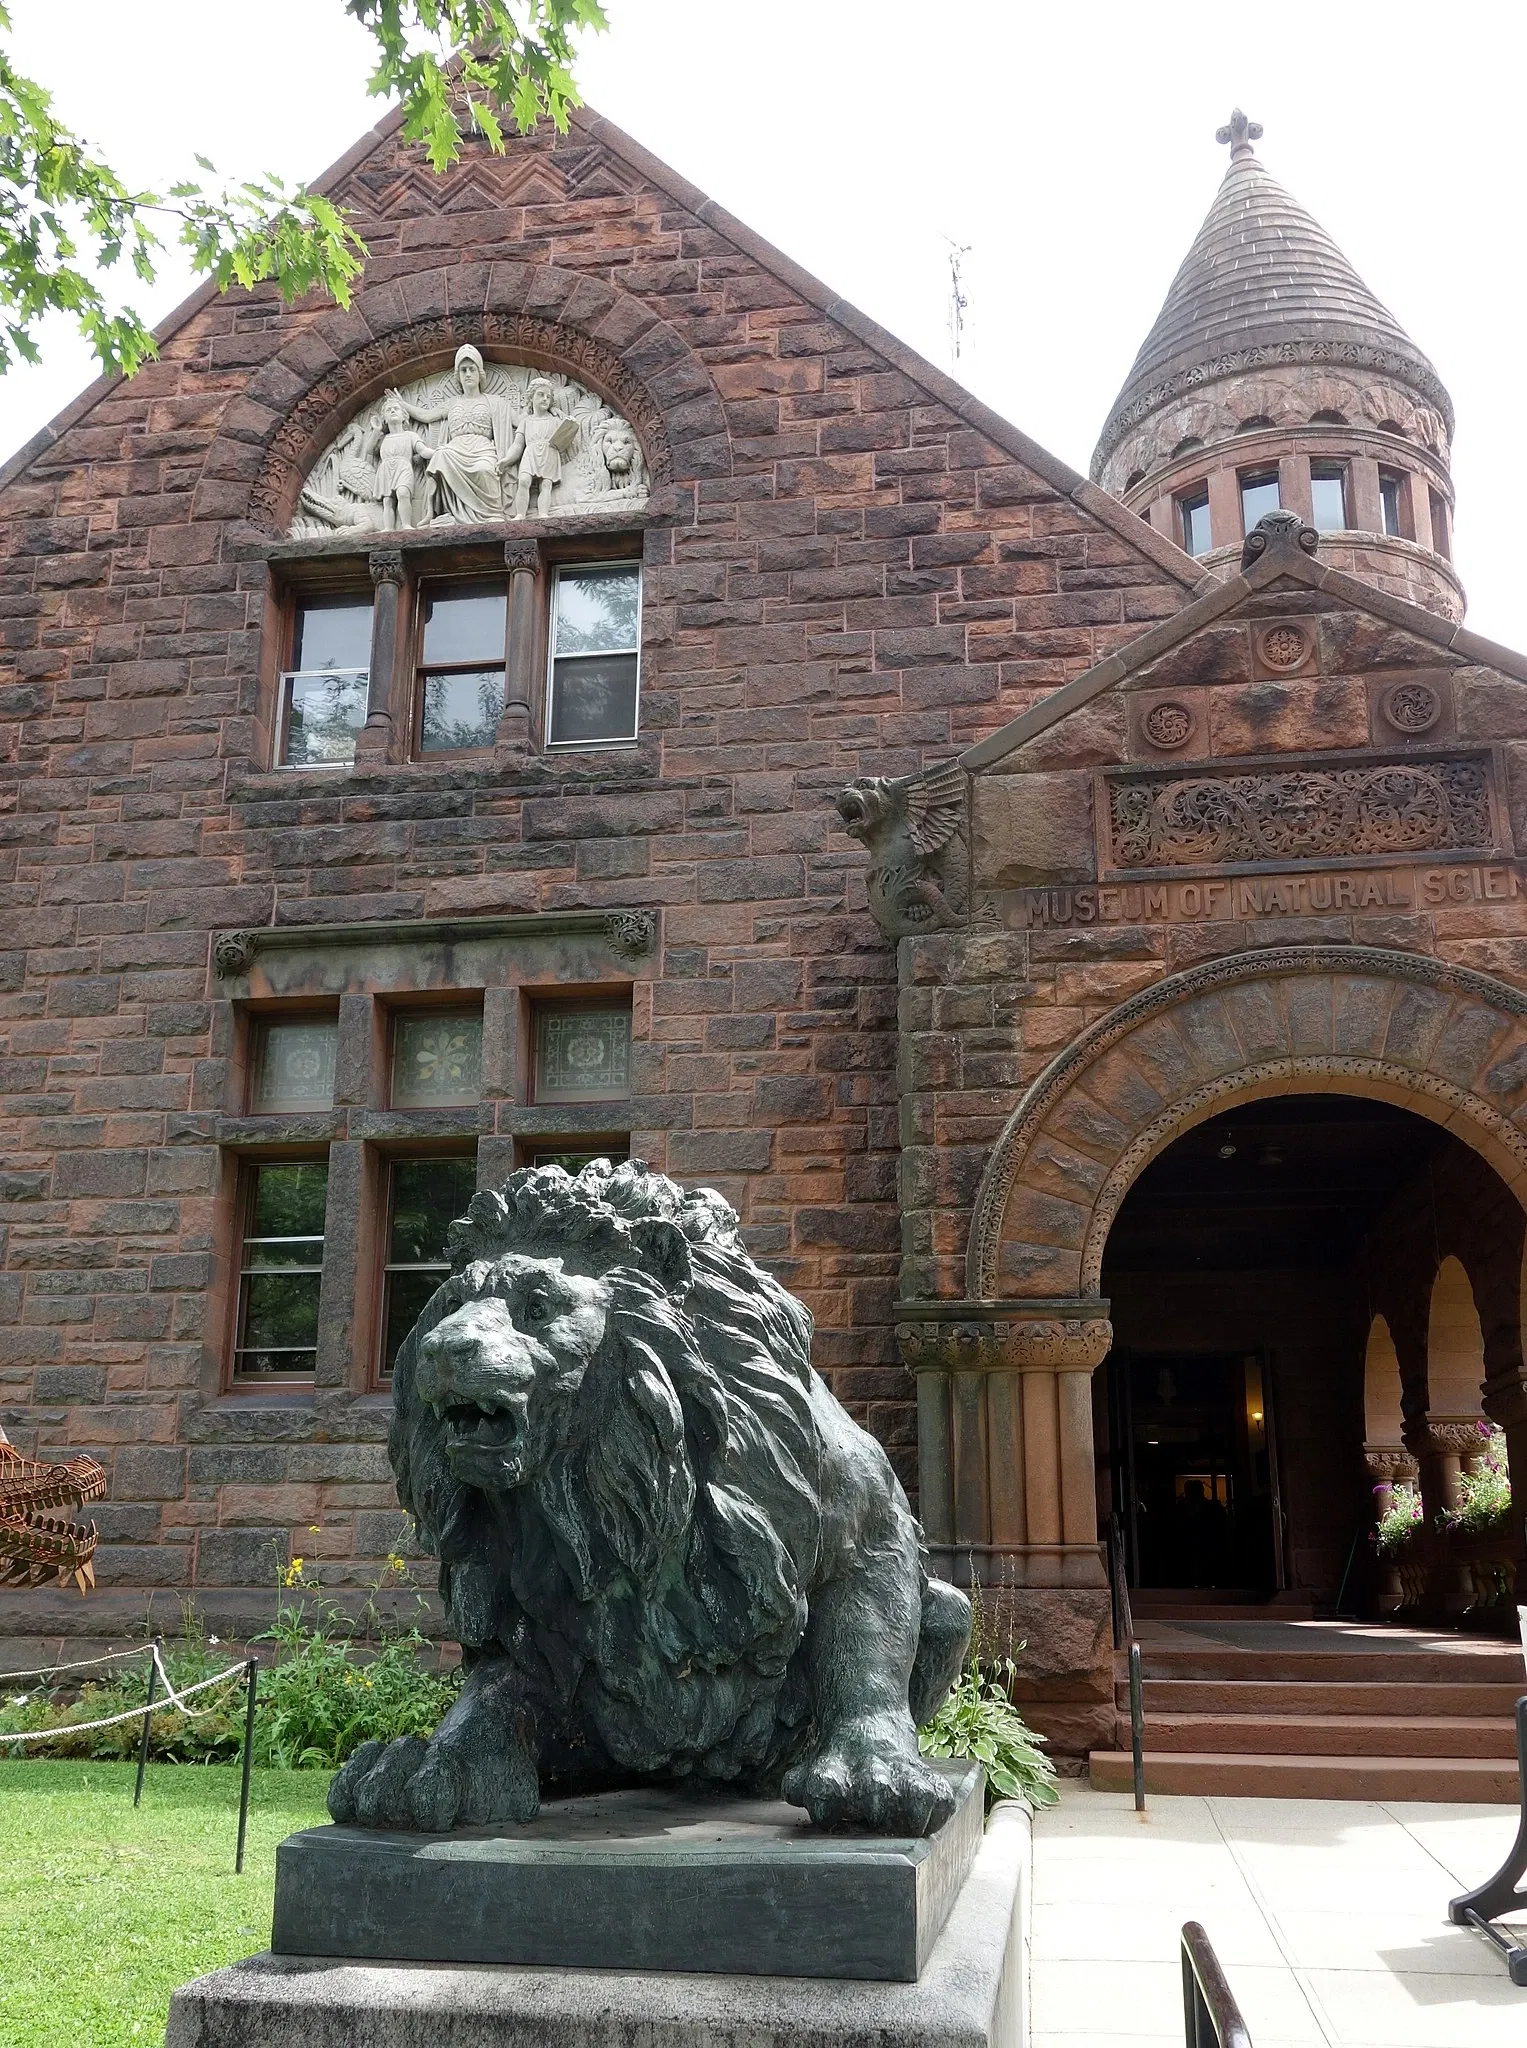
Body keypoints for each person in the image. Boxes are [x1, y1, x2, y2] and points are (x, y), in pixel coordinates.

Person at [412, 344, 517, 525]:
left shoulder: (495, 402)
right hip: (455, 449)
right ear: (458, 376)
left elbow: (519, 421)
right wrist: (402, 404)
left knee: (485, 469)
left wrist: (546, 413)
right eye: (463, 370)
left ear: (479, 373)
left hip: (483, 449)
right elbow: (426, 416)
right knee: (440, 455)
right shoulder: (451, 403)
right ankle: (434, 513)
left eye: (471, 369)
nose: (468, 374)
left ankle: (492, 514)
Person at [505, 377, 577, 519]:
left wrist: (565, 419)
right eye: (541, 394)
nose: (545, 399)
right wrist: (506, 460)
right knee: (524, 480)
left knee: (546, 485)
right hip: (530, 453)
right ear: (531, 397)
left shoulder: (554, 420)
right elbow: (518, 444)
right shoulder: (525, 421)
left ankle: (543, 513)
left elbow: (566, 433)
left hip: (549, 452)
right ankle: (520, 514)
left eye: (548, 397)